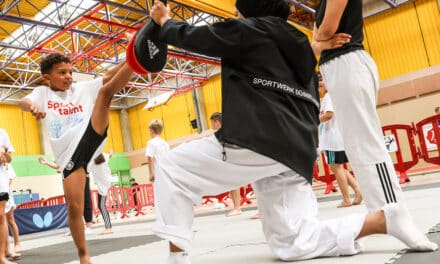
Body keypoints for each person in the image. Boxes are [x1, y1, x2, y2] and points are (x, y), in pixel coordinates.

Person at [149, 1, 437, 263]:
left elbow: (193, 37)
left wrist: (164, 22)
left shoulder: (248, 28)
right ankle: (383, 220)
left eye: (238, 12)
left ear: (249, 11)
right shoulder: (300, 41)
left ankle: (177, 259)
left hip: (257, 140)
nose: (235, 17)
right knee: (292, 243)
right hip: (296, 150)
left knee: (172, 169)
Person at [20, 52, 133, 264]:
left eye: (71, 72)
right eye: (62, 73)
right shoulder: (42, 94)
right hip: (69, 157)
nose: (69, 76)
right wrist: (32, 107)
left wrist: (130, 58)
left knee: (106, 93)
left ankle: (138, 60)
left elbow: (109, 75)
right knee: (74, 208)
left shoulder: (80, 89)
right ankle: (83, 254)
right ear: (48, 77)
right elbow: (24, 102)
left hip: (90, 134)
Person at [317, 74, 362, 208]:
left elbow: (329, 115)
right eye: (316, 81)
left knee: (336, 167)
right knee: (338, 167)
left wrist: (313, 120)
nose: (319, 83)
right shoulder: (329, 96)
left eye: (321, 80)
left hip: (332, 139)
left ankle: (346, 199)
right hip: (335, 138)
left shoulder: (329, 96)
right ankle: (358, 191)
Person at [37, 157, 93, 235]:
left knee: (85, 200)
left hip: (81, 176)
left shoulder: (77, 149)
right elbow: (57, 166)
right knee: (71, 204)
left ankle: (89, 226)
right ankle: (76, 228)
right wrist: (46, 162)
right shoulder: (61, 152)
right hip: (67, 179)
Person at [210, 112, 242, 217]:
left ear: (216, 121)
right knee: (231, 184)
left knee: (234, 183)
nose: (211, 126)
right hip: (228, 160)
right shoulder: (222, 132)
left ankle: (237, 207)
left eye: (212, 123)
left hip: (232, 160)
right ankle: (236, 207)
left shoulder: (226, 131)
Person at [0, 129, 16, 264]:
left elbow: (9, 159)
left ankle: (3, 255)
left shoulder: (2, 133)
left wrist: (4, 155)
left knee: (2, 218)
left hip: (1, 183)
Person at [87, 152, 113, 235]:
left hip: (102, 185)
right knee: (101, 205)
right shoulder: (104, 157)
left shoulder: (91, 163)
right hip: (106, 181)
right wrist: (110, 152)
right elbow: (110, 155)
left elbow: (85, 170)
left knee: (101, 205)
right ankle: (108, 227)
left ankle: (108, 227)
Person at [4, 163, 21, 260]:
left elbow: (9, 181)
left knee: (10, 220)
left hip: (6, 195)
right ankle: (6, 249)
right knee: (2, 222)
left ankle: (17, 243)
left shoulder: (7, 165)